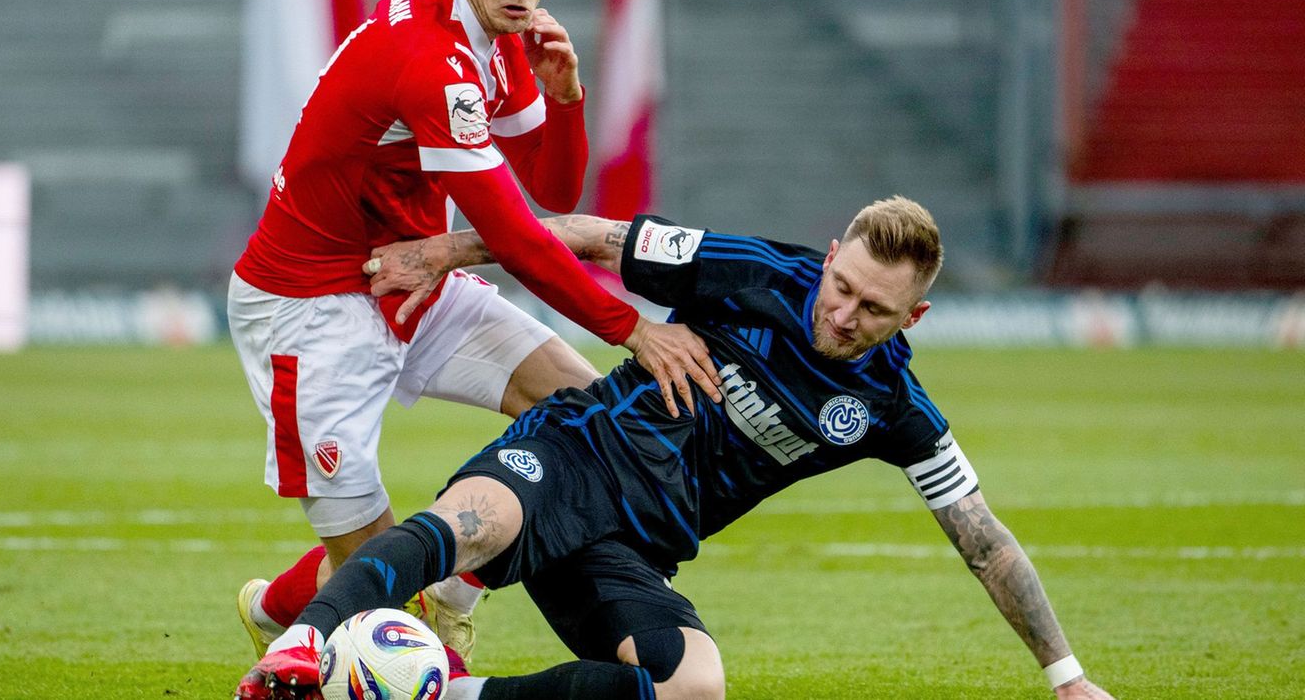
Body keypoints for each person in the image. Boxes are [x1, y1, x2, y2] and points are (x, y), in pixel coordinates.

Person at [235, 198, 1117, 700]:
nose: (842, 315)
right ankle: (301, 647)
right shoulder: (760, 272)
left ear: (911, 319)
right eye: (842, 286)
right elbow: (589, 237)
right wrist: (444, 251)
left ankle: (443, 695)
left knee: (695, 689)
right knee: (476, 519)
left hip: (636, 548)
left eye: (872, 311)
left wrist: (1067, 677)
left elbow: (984, 538)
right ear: (836, 251)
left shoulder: (893, 405)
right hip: (579, 454)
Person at [226, 0, 720, 667]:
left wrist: (565, 99)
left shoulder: (498, 35)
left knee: (587, 419)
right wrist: (634, 328)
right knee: (389, 589)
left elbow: (554, 189)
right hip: (310, 308)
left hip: (415, 282)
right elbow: (516, 236)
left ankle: (295, 605)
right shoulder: (431, 59)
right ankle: (427, 641)